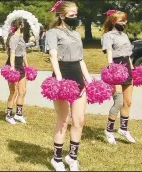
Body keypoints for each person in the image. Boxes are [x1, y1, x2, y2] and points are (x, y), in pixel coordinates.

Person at [45, 1, 93, 171]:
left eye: (76, 14)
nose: (76, 17)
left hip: (78, 79)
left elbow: (80, 59)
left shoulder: (76, 34)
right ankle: (56, 159)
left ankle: (72, 157)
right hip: (62, 78)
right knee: (63, 120)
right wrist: (59, 79)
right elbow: (52, 55)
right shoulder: (53, 33)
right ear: (62, 15)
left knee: (79, 121)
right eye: (72, 15)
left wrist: (89, 80)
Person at [101, 10, 136, 144]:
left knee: (128, 102)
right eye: (121, 20)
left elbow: (128, 54)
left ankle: (123, 129)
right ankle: (109, 130)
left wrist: (132, 68)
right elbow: (109, 53)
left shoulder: (125, 35)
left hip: (127, 67)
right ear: (113, 21)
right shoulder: (108, 36)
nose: (124, 23)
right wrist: (111, 70)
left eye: (125, 20)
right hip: (116, 68)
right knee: (118, 102)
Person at [4, 19, 29, 125]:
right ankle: (8, 115)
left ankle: (18, 114)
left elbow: (23, 53)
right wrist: (12, 68)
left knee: (22, 91)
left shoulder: (21, 37)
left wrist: (27, 66)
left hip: (21, 65)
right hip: (13, 64)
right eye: (23, 23)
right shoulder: (14, 37)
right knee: (13, 92)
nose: (24, 25)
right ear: (20, 25)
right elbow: (12, 53)